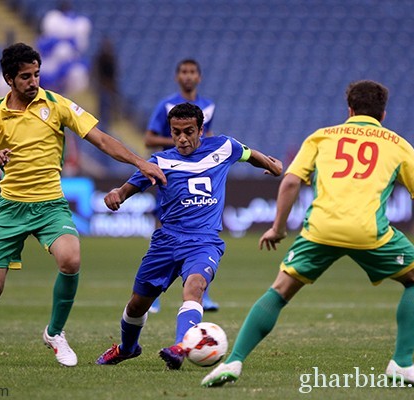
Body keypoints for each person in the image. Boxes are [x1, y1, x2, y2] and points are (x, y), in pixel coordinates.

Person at [201, 80, 414, 389]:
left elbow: (289, 183)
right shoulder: (397, 144)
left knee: (279, 290)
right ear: (383, 114)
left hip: (320, 229)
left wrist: (278, 228)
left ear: (349, 110)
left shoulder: (322, 136)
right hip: (369, 231)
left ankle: (233, 361)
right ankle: (402, 363)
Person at [0, 43, 166, 368]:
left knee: (71, 259)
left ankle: (55, 333)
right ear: (9, 79)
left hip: (50, 206)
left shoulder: (56, 104)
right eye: (25, 76)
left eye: (36, 74)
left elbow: (100, 138)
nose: (33, 81)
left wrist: (140, 163)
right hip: (11, 208)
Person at [96, 103, 282, 370]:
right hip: (166, 241)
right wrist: (116, 195)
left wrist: (273, 166)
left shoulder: (223, 147)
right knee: (137, 305)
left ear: (201, 130)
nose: (182, 138)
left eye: (188, 131)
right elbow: (127, 189)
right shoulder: (160, 161)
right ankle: (127, 348)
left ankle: (180, 348)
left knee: (194, 288)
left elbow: (250, 154)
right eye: (176, 132)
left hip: (204, 240)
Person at [145, 58, 218, 313]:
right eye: (184, 72)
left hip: (200, 173)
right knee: (162, 227)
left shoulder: (209, 106)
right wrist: (179, 139)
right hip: (171, 175)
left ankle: (201, 292)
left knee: (203, 232)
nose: (188, 76)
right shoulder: (166, 105)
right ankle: (153, 293)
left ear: (199, 77)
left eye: (192, 72)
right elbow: (148, 138)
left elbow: (209, 138)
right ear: (178, 77)